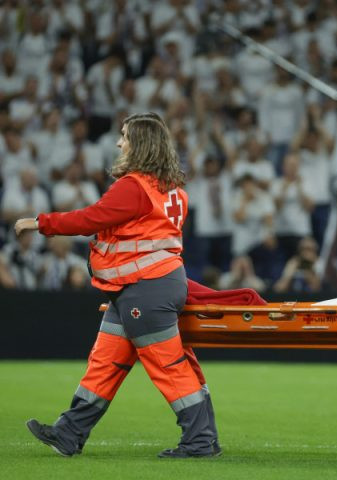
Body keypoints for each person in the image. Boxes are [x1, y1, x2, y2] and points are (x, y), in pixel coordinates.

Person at [15, 113, 219, 458]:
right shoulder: (173, 191)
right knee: (105, 363)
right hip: (141, 286)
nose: (118, 142)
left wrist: (41, 222)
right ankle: (69, 432)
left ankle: (200, 442)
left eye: (124, 136)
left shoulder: (134, 186)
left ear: (139, 144)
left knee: (168, 368)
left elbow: (91, 218)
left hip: (145, 288)